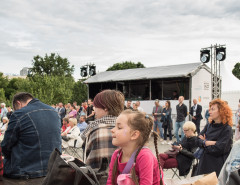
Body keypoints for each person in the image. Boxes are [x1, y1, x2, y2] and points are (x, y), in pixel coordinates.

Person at [1, 92, 61, 179]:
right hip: (52, 168)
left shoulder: (19, 114)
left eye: (16, 109)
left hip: (24, 171)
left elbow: (6, 145)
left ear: (18, 103)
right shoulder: (54, 111)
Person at [107, 110, 163, 185]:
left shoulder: (144, 156)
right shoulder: (116, 155)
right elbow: (110, 182)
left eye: (119, 127)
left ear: (134, 135)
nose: (112, 130)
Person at [81, 90, 124, 169]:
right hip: (125, 178)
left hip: (99, 178)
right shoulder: (128, 127)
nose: (94, 110)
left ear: (105, 108)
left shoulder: (93, 129)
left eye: (96, 106)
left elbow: (88, 162)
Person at [196, 98, 233, 177]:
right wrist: (207, 142)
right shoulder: (209, 125)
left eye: (212, 109)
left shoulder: (227, 129)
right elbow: (197, 140)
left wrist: (204, 143)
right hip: (203, 165)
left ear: (221, 111)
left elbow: (219, 149)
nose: (209, 112)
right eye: (209, 109)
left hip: (217, 167)